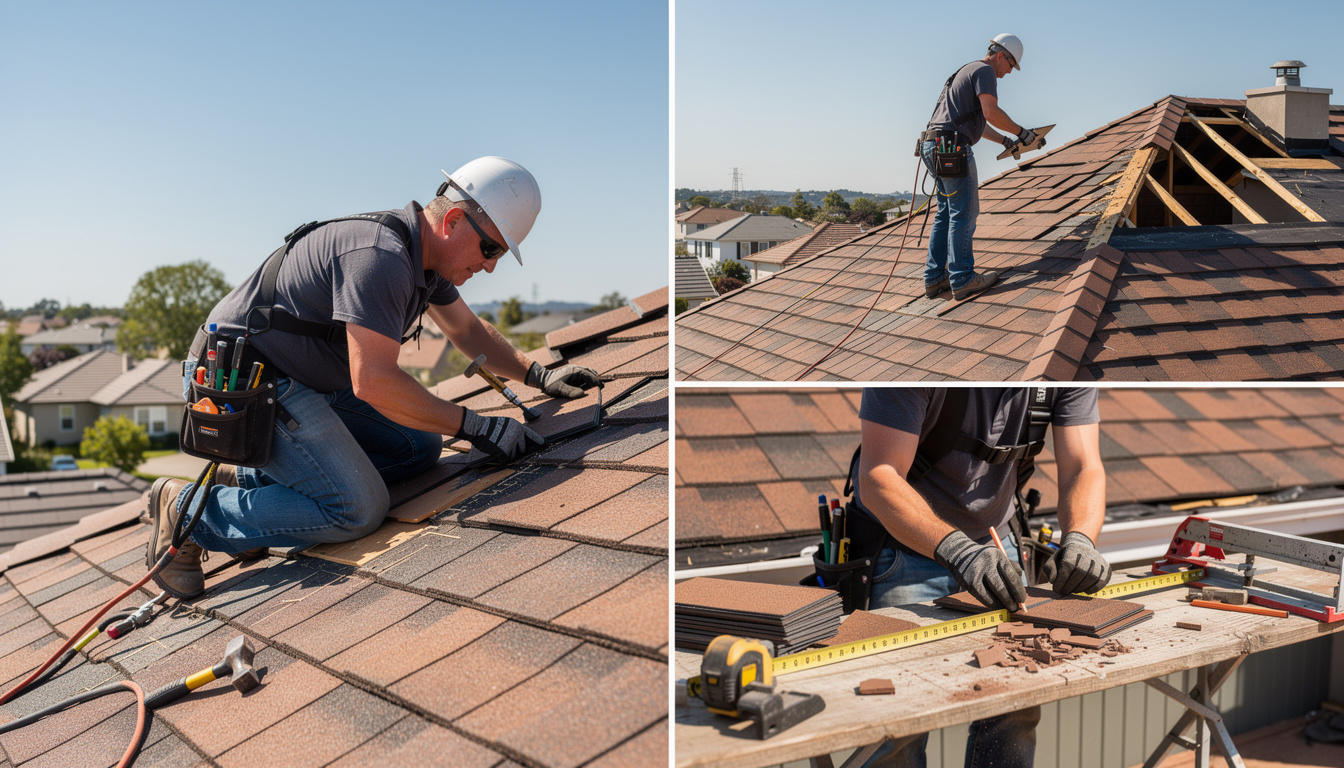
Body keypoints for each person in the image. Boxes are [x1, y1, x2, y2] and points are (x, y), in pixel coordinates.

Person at [146, 157, 601, 599]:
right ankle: (188, 515)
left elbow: (465, 329)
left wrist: (539, 375)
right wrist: (476, 425)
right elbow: (374, 382)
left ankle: (250, 481)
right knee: (356, 508)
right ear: (453, 221)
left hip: (302, 378)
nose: (490, 266)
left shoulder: (424, 261)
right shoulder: (380, 257)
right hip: (247, 380)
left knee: (418, 446)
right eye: (490, 249)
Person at [852, 387, 1110, 768]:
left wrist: (1081, 538)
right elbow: (879, 476)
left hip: (997, 545)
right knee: (897, 723)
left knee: (1015, 704)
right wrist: (959, 551)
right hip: (905, 549)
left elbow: (1083, 466)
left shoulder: (1065, 373)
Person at [920, 33, 1044, 302]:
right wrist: (1023, 133)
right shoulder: (985, 71)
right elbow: (991, 112)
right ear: (1000, 55)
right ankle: (963, 278)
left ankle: (935, 278)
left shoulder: (966, 70)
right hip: (953, 147)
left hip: (933, 146)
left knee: (946, 212)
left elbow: (976, 121)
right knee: (964, 213)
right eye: (1011, 65)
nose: (1009, 72)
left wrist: (1005, 141)